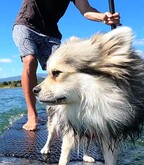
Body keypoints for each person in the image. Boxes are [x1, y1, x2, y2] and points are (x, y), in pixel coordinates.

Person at [13, 0, 121, 131]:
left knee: (60, 66)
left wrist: (103, 17)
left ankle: (59, 114)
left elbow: (86, 10)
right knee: (29, 60)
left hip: (51, 33)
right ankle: (32, 114)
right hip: (26, 25)